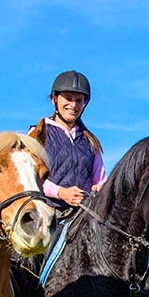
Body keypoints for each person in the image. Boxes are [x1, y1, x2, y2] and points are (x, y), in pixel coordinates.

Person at [31, 70, 106, 208]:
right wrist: (60, 192)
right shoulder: (39, 132)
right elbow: (31, 177)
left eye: (79, 100)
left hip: (83, 214)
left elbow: (100, 179)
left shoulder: (90, 140)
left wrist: (101, 188)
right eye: (68, 98)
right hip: (49, 211)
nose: (73, 105)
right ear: (54, 99)